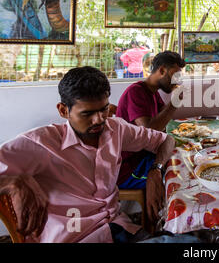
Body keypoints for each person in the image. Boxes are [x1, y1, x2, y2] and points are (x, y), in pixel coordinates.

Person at [0, 66, 198, 243]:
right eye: (87, 114)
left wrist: (155, 172)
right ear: (63, 110)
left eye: (104, 110)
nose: (98, 120)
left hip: (117, 228)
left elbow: (166, 140)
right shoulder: (41, 142)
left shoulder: (115, 128)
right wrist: (13, 183)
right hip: (74, 236)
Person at [115, 51, 186, 224]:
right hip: (128, 167)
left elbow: (162, 124)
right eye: (175, 75)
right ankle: (164, 223)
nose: (177, 81)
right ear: (161, 71)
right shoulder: (136, 92)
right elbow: (149, 130)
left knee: (182, 158)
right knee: (178, 178)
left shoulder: (152, 92)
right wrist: (174, 105)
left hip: (144, 155)